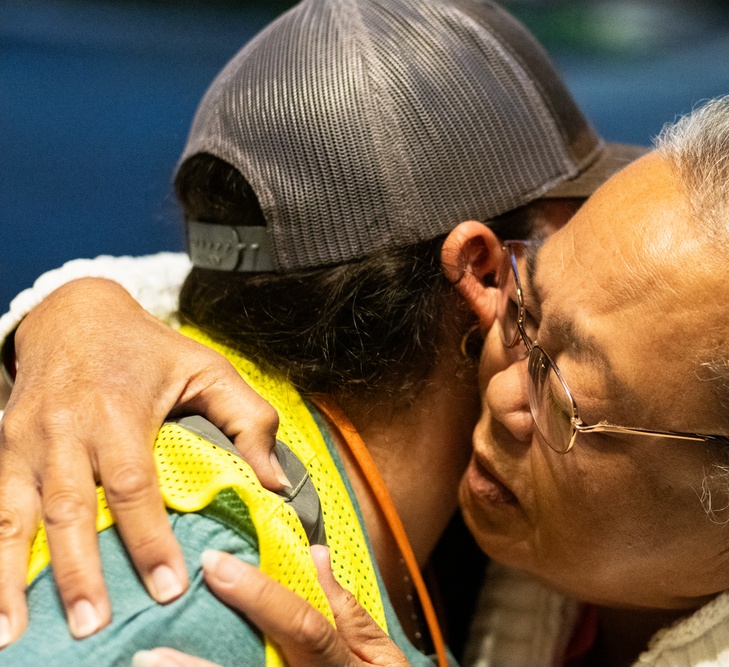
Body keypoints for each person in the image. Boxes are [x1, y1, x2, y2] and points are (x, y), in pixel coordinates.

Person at [9, 94, 729, 667]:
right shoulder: (627, 462)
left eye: (572, 398)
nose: (500, 393)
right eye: (524, 312)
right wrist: (81, 317)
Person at [0, 0, 646, 663]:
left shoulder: (459, 526)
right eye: (576, 223)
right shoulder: (192, 589)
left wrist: (75, 305)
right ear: (487, 272)